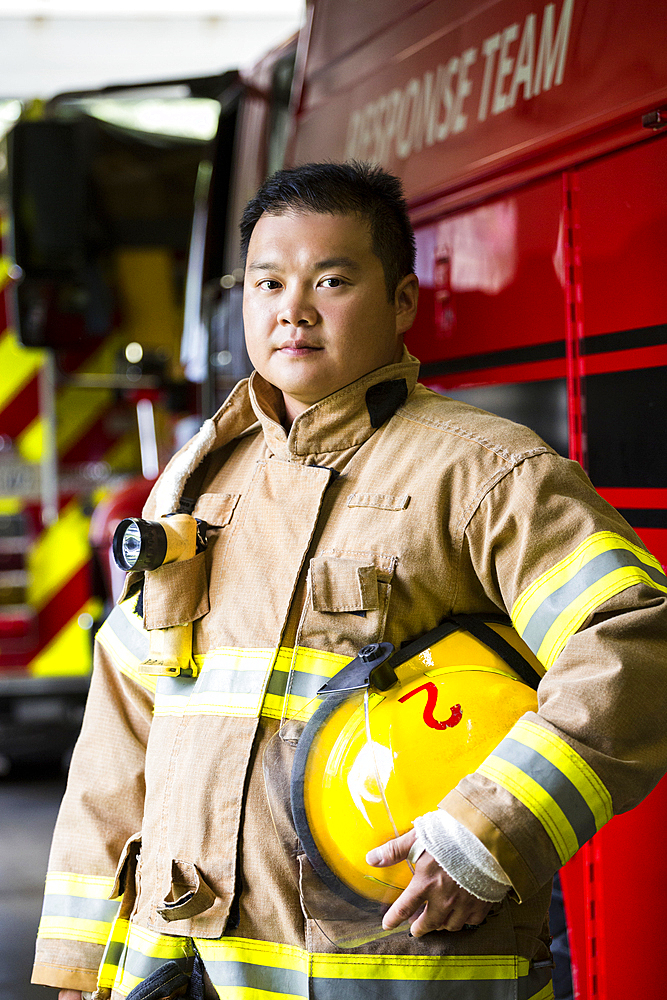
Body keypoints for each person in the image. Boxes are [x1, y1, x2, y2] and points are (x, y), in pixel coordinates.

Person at [33, 162, 667, 1000]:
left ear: (401, 302)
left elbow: (631, 636)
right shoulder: (199, 479)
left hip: (391, 971)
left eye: (330, 280)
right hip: (183, 970)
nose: (292, 308)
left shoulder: (484, 472)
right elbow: (123, 724)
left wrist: (487, 834)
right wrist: (82, 964)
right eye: (268, 282)